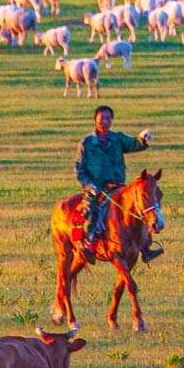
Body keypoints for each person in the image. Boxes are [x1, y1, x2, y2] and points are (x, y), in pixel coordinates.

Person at [75, 104, 158, 262]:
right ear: (95, 120)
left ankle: (145, 246)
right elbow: (79, 169)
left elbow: (133, 144)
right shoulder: (87, 143)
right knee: (91, 212)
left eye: (108, 118)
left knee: (140, 207)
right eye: (102, 118)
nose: (105, 121)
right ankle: (90, 245)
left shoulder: (117, 139)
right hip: (96, 189)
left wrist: (142, 138)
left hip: (117, 186)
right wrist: (89, 185)